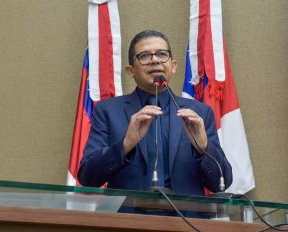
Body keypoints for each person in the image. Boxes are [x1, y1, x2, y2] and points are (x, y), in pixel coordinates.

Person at [78, 30, 232, 195]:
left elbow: (221, 183)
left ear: (173, 66)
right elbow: (87, 177)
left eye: (161, 54)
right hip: (129, 218)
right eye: (144, 56)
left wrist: (203, 148)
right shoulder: (108, 111)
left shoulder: (199, 113)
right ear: (130, 70)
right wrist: (125, 145)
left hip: (186, 218)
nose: (155, 60)